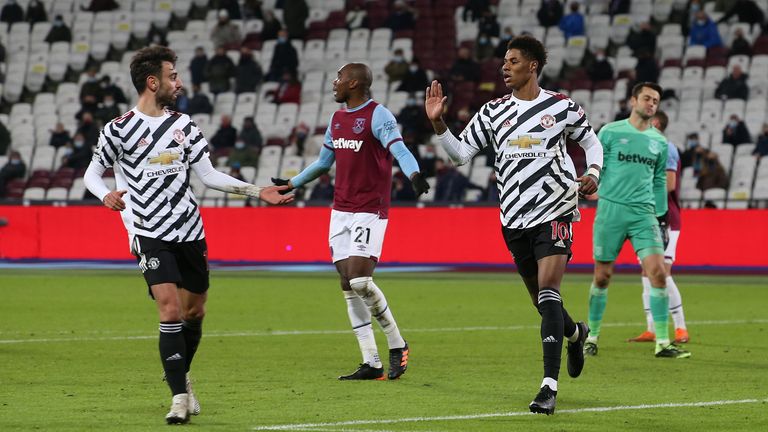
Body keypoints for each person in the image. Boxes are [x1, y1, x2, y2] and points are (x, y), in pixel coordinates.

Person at [83, 45, 292, 425]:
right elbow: (91, 174)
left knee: (195, 311)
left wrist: (256, 190)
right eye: (172, 76)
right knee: (170, 309)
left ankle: (180, 372)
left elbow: (209, 175)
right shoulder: (117, 130)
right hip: (148, 231)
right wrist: (106, 194)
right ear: (153, 82)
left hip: (189, 230)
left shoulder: (184, 125)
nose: (178, 83)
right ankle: (179, 397)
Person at [425, 35, 602, 415]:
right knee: (542, 302)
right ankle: (575, 334)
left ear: (533, 65)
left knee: (550, 292)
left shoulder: (561, 106)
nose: (505, 67)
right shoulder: (492, 112)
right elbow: (459, 155)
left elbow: (591, 142)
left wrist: (593, 172)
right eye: (504, 61)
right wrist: (439, 123)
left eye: (513, 60)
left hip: (556, 210)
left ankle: (548, 387)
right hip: (513, 218)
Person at [271, 63, 430, 382]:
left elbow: (400, 149)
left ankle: (398, 344)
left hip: (370, 208)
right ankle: (370, 362)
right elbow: (323, 163)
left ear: (354, 83)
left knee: (359, 281)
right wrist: (293, 183)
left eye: (340, 78)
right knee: (347, 284)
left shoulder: (378, 115)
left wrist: (414, 174)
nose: (335, 82)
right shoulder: (337, 119)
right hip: (340, 210)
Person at [584, 82, 691, 361]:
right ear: (634, 100)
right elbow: (597, 164)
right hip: (612, 211)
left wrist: (660, 217)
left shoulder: (659, 141)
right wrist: (594, 185)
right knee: (602, 276)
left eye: (655, 100)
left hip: (645, 215)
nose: (651, 103)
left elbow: (659, 182)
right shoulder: (610, 132)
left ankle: (663, 342)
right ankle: (592, 336)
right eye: (647, 98)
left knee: (658, 273)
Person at [628, 110, 690, 345]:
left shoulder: (667, 147)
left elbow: (670, 184)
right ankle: (651, 328)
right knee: (646, 271)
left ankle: (681, 327)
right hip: (644, 219)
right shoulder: (642, 149)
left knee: (662, 272)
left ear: (654, 123)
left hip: (666, 219)